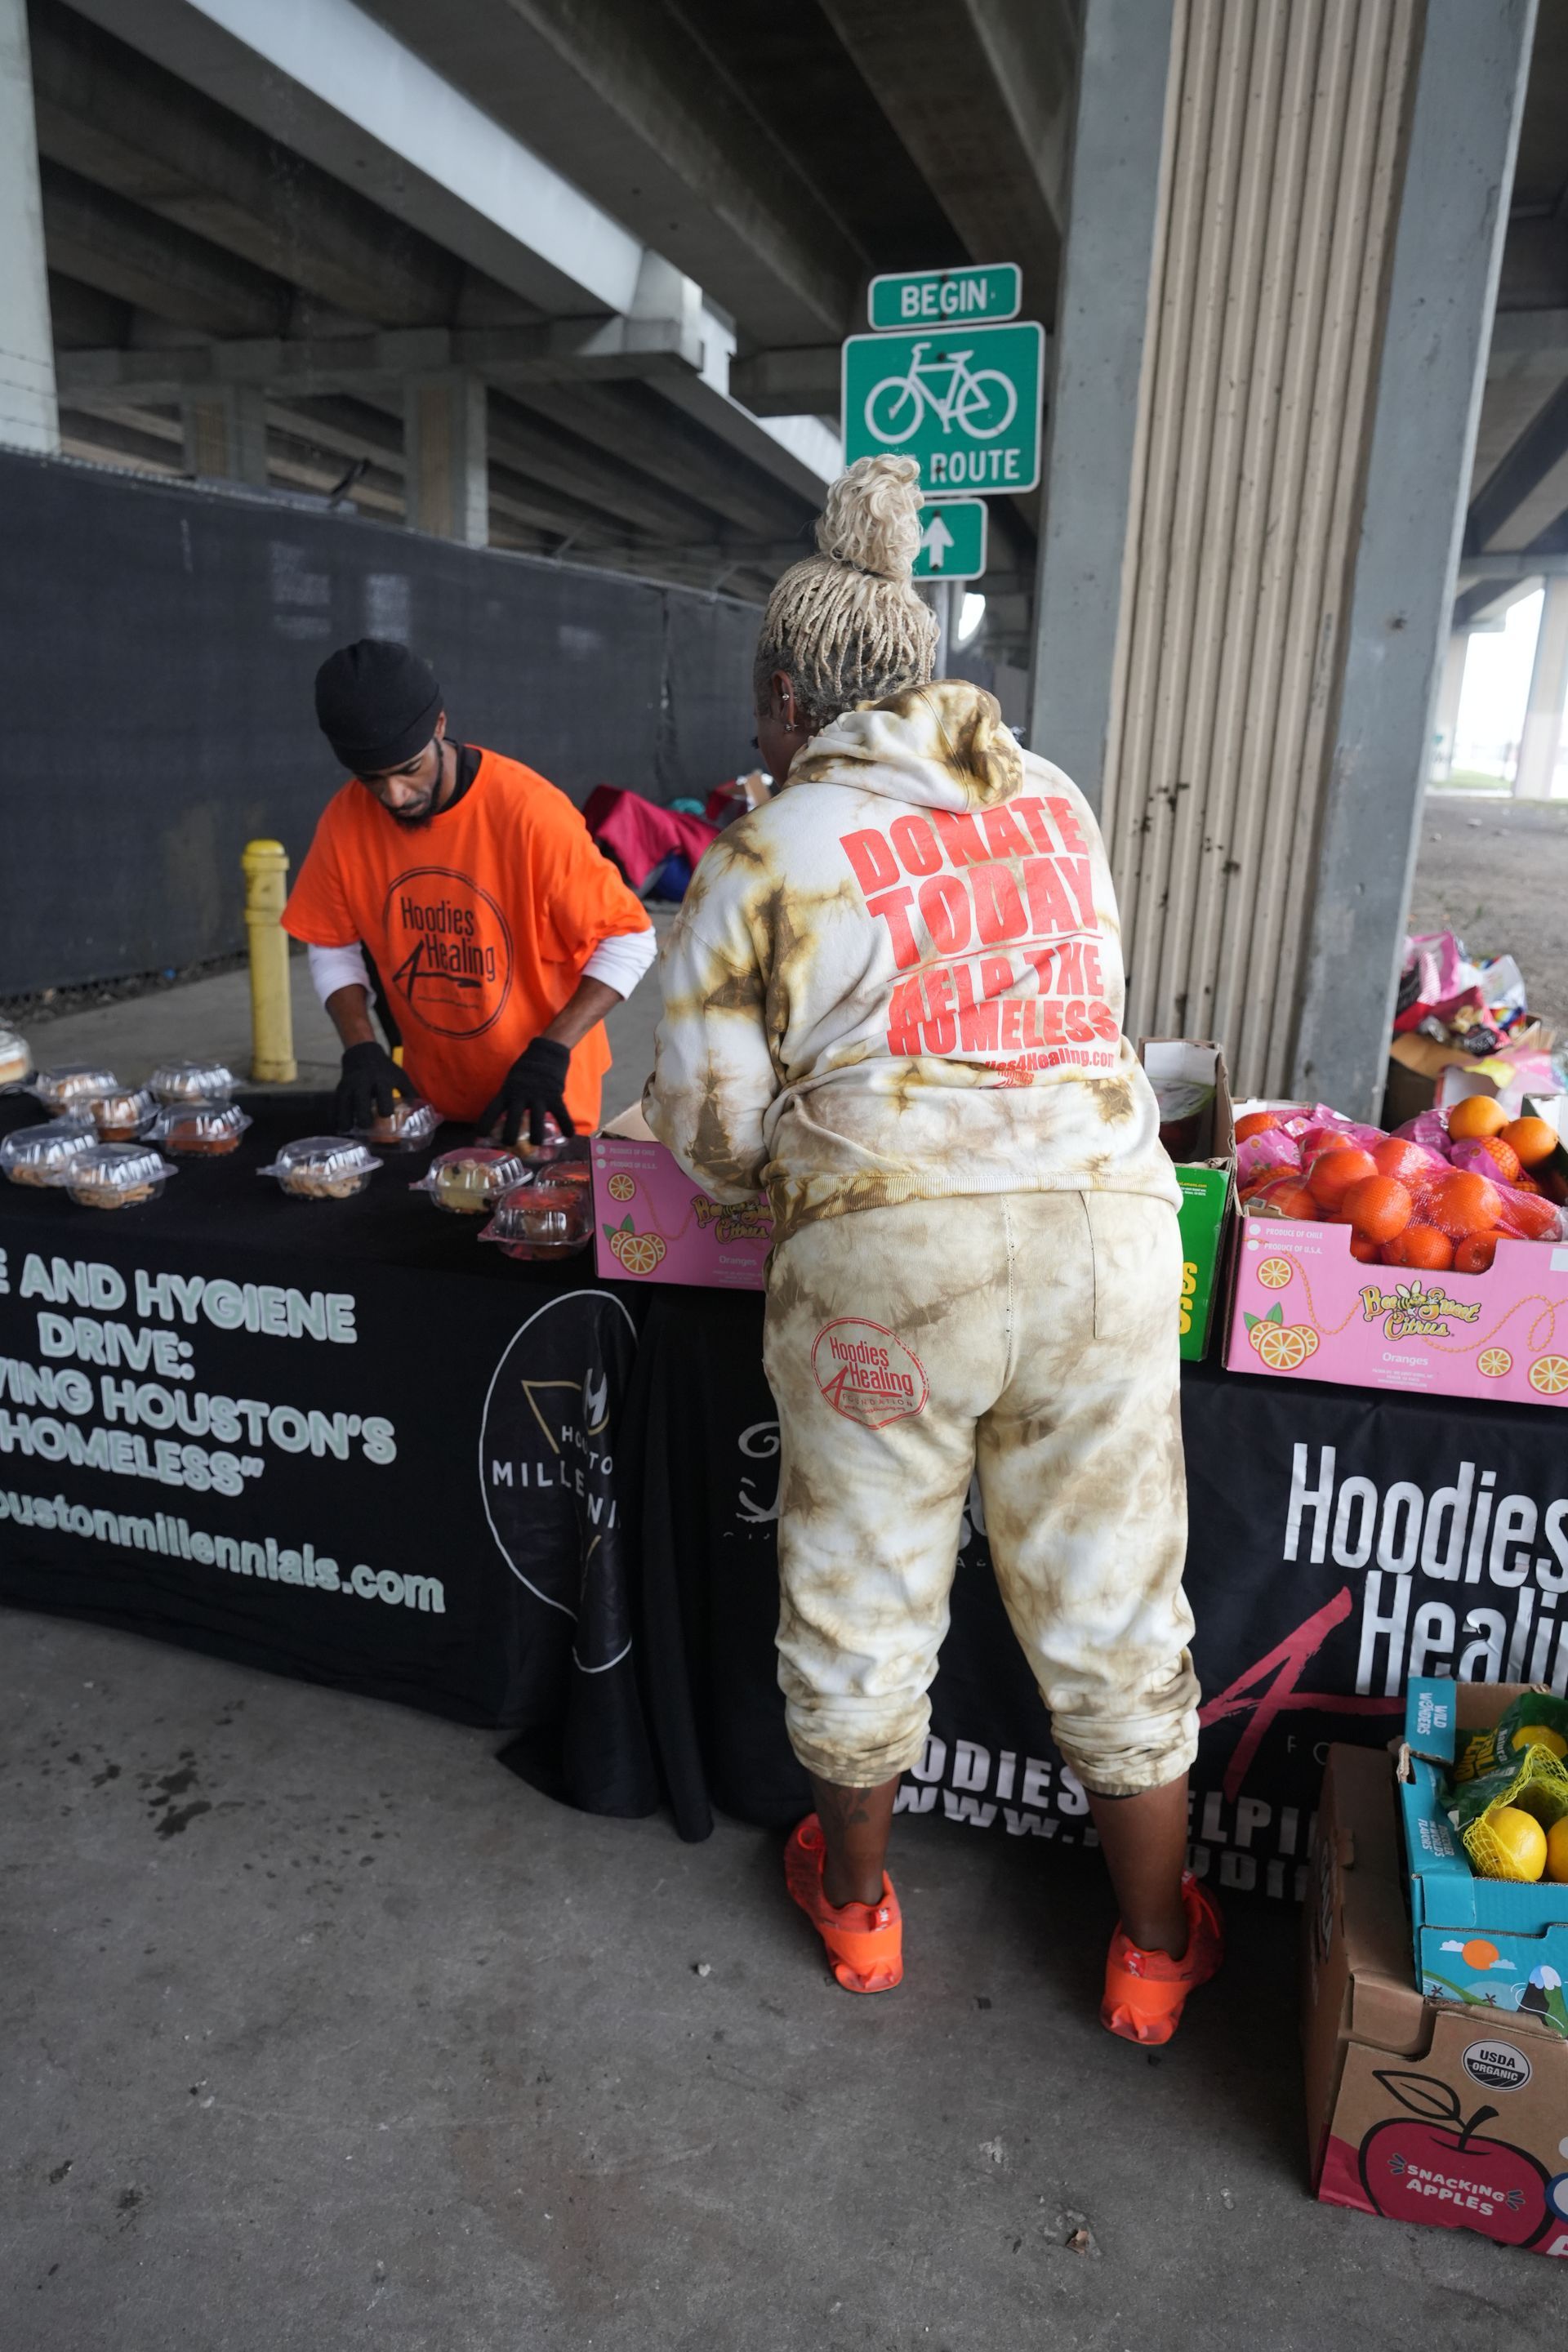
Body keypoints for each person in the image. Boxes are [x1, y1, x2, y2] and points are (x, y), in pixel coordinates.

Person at [645, 455, 1220, 2043]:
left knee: (860, 1603)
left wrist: (793, 1195)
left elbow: (700, 1109)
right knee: (1116, 1615)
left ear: (784, 699)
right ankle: (1156, 1953)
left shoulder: (772, 843)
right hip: (1110, 1230)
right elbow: (1080, 1006)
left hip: (895, 1258)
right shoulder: (1056, 798)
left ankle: (859, 1914)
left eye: (762, 715)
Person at [283, 639, 654, 1143]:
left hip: (539, 1100)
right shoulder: (346, 819)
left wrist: (551, 1052)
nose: (395, 796)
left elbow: (630, 939)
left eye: (410, 769)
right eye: (373, 779)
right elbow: (330, 939)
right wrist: (361, 1048)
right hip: (434, 1099)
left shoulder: (529, 814)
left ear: (439, 726)